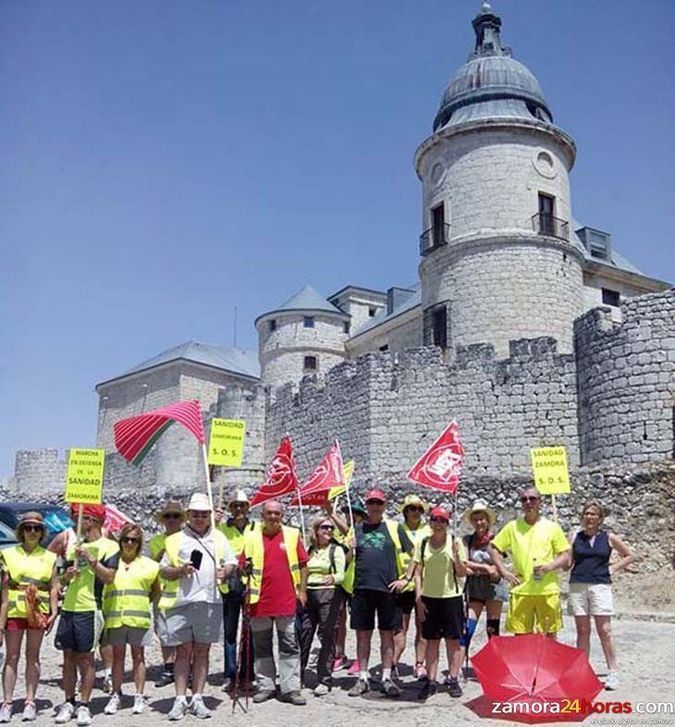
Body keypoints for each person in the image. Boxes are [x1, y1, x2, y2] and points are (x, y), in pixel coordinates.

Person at [159, 492, 237, 721]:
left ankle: (198, 697)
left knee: (202, 651)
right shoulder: (174, 540)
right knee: (183, 651)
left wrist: (226, 571)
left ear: (209, 515)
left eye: (204, 514)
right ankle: (180, 698)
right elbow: (163, 569)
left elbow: (231, 562)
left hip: (210, 600)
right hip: (183, 600)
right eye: (196, 514)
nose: (200, 518)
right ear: (189, 515)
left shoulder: (219, 538)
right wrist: (180, 571)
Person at [392, 506, 467, 699]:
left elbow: (461, 572)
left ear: (447, 523)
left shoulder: (455, 542)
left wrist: (458, 556)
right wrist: (419, 598)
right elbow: (417, 572)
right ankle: (432, 680)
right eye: (435, 519)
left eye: (442, 520)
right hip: (430, 598)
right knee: (431, 641)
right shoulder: (423, 543)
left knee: (453, 641)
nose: (438, 523)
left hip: (451, 597)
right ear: (431, 522)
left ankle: (453, 678)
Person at [54, 504, 118, 726]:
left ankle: (84, 705)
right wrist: (66, 576)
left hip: (90, 608)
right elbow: (60, 577)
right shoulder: (74, 544)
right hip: (69, 607)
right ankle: (69, 701)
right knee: (68, 657)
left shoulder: (109, 546)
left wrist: (92, 560)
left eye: (78, 516)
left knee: (86, 658)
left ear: (92, 520)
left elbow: (109, 576)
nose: (74, 520)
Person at [346, 487, 412, 699]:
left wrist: (406, 579)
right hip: (361, 589)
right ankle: (363, 677)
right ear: (366, 506)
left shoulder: (394, 528)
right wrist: (349, 549)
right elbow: (345, 562)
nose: (375, 506)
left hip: (387, 590)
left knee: (387, 635)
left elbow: (415, 555)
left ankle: (386, 676)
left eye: (379, 503)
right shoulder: (356, 529)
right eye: (371, 503)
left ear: (384, 506)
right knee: (362, 635)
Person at [242, 500, 308, 706]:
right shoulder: (251, 536)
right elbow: (243, 565)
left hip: (286, 600)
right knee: (262, 647)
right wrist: (244, 570)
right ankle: (266, 685)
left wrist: (302, 590)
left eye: (277, 514)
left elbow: (303, 564)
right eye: (269, 513)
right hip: (258, 601)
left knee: (289, 646)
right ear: (262, 515)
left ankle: (290, 688)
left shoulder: (292, 534)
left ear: (282, 515)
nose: (273, 517)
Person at [567, 500, 634, 691]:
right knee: (582, 631)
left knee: (604, 630)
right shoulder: (575, 537)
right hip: (578, 585)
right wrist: (561, 559)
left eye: (593, 514)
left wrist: (613, 568)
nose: (589, 517)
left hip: (600, 586)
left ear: (600, 518)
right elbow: (568, 563)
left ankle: (613, 671)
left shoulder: (608, 537)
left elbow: (629, 555)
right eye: (586, 514)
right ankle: (581, 670)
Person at [0, 512, 58, 722]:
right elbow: (4, 590)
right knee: (11, 656)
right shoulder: (7, 554)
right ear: (21, 531)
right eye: (28, 527)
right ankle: (7, 702)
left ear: (42, 532)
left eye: (36, 528)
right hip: (14, 609)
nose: (32, 531)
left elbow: (53, 586)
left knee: (32, 656)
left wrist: (53, 611)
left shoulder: (50, 556)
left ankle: (30, 701)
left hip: (38, 610)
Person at [489, 487, 570, 638]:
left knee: (549, 636)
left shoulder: (552, 527)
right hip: (521, 590)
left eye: (532, 498)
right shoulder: (512, 527)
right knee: (521, 637)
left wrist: (549, 566)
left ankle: (547, 662)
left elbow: (565, 556)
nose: (528, 502)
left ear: (540, 502)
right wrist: (504, 572)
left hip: (546, 590)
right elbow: (494, 548)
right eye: (524, 499)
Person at [102, 523, 160, 716]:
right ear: (120, 541)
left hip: (138, 618)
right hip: (115, 617)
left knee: (139, 657)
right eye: (125, 539)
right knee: (117, 658)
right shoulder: (110, 563)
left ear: (139, 543)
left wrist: (142, 603)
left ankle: (138, 695)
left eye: (133, 540)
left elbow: (155, 590)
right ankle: (116, 694)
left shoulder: (149, 565)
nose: (129, 543)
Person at [299, 516, 346, 696]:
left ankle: (324, 678)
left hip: (329, 594)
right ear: (316, 530)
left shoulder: (336, 550)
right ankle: (299, 675)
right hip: (309, 593)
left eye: (330, 528)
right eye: (324, 528)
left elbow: (342, 574)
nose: (328, 531)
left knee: (327, 635)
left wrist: (333, 578)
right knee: (304, 633)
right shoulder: (309, 550)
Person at [216, 490, 257, 691]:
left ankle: (248, 673)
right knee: (230, 631)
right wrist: (213, 523)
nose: (239, 509)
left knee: (250, 631)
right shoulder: (221, 529)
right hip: (230, 584)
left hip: (251, 583)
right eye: (235, 506)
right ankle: (230, 673)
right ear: (231, 509)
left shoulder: (257, 527)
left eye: (242, 505)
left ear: (248, 507)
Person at [460, 499, 507, 652]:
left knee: (492, 629)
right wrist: (486, 568)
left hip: (494, 588)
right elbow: (464, 562)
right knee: (467, 627)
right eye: (475, 519)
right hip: (475, 588)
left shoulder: (497, 539)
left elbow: (499, 566)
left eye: (482, 519)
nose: (479, 522)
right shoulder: (468, 539)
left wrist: (477, 570)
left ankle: (496, 665)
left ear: (487, 520)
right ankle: (457, 665)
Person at [149, 500, 186, 688]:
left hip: (183, 590)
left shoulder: (188, 539)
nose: (172, 519)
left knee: (184, 631)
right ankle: (169, 667)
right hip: (161, 592)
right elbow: (150, 564)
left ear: (181, 519)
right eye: (168, 516)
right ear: (163, 520)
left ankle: (184, 667)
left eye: (176, 516)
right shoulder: (156, 541)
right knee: (164, 631)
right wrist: (164, 549)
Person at [393, 494, 430, 680]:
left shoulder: (430, 530)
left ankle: (420, 664)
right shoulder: (397, 530)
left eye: (418, 508)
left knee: (422, 627)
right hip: (403, 585)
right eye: (411, 508)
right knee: (400, 628)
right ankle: (392, 664)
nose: (415, 512)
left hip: (425, 585)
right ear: (406, 512)